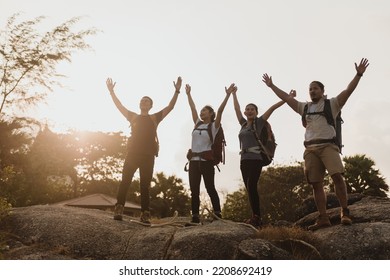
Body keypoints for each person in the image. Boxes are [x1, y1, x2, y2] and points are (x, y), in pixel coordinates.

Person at [262, 58, 369, 230]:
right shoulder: (303, 107)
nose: (312, 91)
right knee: (316, 184)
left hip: (328, 146)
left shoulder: (332, 104)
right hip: (310, 149)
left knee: (337, 177)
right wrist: (272, 86)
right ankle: (323, 217)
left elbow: (348, 91)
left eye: (315, 88)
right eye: (310, 89)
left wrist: (358, 74)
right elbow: (286, 98)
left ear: (322, 91)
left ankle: (345, 211)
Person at [106, 76, 182, 223]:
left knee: (145, 186)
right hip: (132, 154)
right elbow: (119, 106)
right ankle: (119, 208)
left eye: (146, 101)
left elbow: (170, 107)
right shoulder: (133, 117)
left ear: (151, 106)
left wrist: (177, 91)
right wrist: (111, 92)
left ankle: (145, 213)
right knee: (125, 181)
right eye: (142, 100)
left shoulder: (154, 118)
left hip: (148, 156)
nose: (143, 102)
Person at [231, 86, 294, 228]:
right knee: (249, 188)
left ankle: (257, 217)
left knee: (252, 185)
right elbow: (236, 109)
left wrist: (287, 98)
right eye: (247, 109)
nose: (249, 111)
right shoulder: (242, 124)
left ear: (256, 112)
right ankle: (255, 216)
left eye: (252, 109)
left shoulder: (259, 122)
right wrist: (233, 94)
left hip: (256, 159)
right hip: (244, 159)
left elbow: (272, 108)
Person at [185, 83, 234, 223]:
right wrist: (188, 94)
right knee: (194, 190)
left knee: (210, 188)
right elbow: (192, 108)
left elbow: (220, 111)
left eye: (204, 111)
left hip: (207, 162)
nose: (201, 113)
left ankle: (217, 214)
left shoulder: (214, 126)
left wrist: (227, 95)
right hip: (193, 162)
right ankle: (195, 216)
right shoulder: (197, 124)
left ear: (211, 114)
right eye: (201, 111)